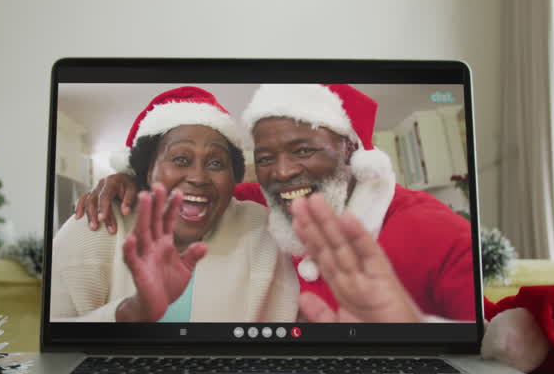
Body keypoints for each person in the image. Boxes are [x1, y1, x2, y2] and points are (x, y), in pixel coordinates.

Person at [75, 84, 476, 322]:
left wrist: (411, 332)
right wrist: (134, 176)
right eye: (265, 158)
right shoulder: (259, 205)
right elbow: (200, 194)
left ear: (350, 148)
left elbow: (497, 342)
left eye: (303, 150)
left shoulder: (432, 227)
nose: (281, 173)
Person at [51, 86, 297, 322]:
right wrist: (131, 312)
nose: (198, 177)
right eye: (180, 159)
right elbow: (57, 345)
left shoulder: (263, 230)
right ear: (147, 171)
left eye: (215, 163)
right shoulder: (95, 226)